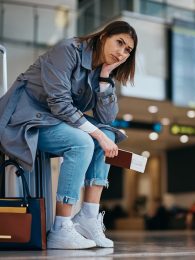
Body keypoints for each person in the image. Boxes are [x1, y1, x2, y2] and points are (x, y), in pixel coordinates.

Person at [0, 20, 138, 249]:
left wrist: (104, 78)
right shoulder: (69, 50)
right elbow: (59, 103)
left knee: (109, 134)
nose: (122, 53)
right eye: (119, 42)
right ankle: (61, 227)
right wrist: (97, 136)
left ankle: (88, 217)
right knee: (84, 142)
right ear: (104, 36)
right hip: (24, 116)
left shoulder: (101, 70)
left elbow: (106, 119)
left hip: (53, 119)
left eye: (128, 50)